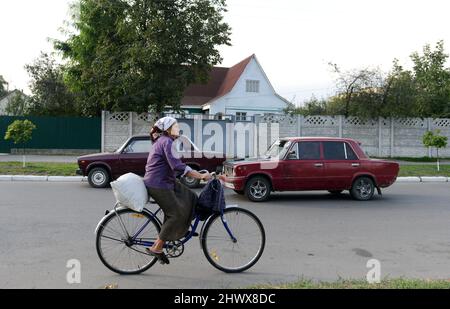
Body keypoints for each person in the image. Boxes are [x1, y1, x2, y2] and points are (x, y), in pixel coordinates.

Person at [143, 116, 211, 264]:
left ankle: (181, 227)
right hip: (159, 184)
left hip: (166, 181)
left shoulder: (164, 141)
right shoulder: (166, 142)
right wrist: (199, 176)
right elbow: (177, 166)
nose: (178, 128)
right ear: (168, 129)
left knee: (191, 196)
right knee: (175, 214)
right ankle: (158, 247)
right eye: (175, 126)